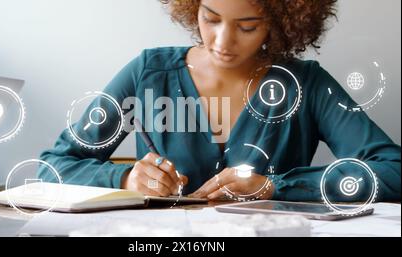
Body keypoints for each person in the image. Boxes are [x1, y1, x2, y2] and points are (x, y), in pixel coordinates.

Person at [39, 0, 401, 202]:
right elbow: (53, 166)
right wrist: (125, 178)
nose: (222, 42)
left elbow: (393, 171)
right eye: (210, 19)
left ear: (281, 23)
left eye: (247, 27)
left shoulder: (307, 84)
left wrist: (276, 186)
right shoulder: (147, 73)